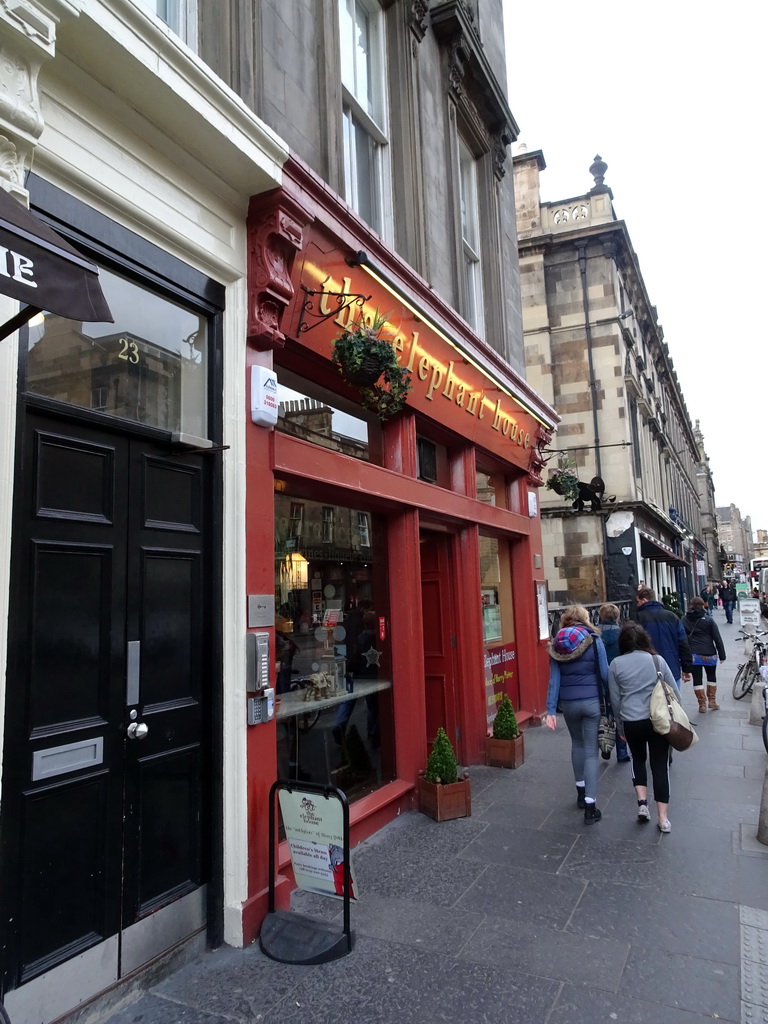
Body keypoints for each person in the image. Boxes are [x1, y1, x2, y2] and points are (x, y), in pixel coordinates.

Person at [608, 622, 679, 834]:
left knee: (637, 759)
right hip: (657, 720)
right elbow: (675, 692)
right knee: (660, 765)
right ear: (645, 640)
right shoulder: (657, 660)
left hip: (631, 720)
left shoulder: (616, 664)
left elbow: (615, 700)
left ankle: (642, 805)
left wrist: (621, 727)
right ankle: (663, 818)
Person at [545, 605, 609, 824]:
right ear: (584, 619)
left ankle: (580, 793)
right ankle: (591, 807)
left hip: (569, 703)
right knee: (592, 752)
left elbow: (554, 679)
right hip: (591, 702)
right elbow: (605, 674)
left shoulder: (557, 644)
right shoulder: (593, 639)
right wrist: (612, 703)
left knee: (577, 744)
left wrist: (551, 709)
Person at [635, 587, 692, 688]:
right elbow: (683, 643)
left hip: (648, 670)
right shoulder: (672, 616)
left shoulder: (638, 618)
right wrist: (686, 668)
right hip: (671, 668)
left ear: (644, 600)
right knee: (673, 700)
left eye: (638, 601)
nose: (637, 604)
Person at [597, 603, 630, 762]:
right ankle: (622, 751)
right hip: (618, 676)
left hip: (599, 679)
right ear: (617, 616)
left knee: (603, 712)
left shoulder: (595, 635)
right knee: (618, 713)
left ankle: (604, 744)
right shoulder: (622, 634)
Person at [683, 596, 726, 711]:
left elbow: (682, 639)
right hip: (709, 653)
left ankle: (702, 704)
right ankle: (712, 701)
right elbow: (717, 638)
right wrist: (722, 655)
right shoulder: (708, 620)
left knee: (697, 679)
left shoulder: (685, 620)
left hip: (694, 654)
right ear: (703, 606)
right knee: (711, 676)